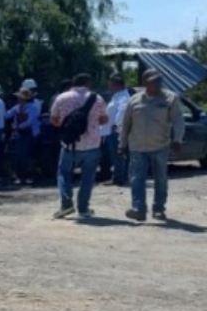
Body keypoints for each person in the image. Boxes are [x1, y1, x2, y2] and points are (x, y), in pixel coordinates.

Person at [120, 69, 185, 222]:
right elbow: (126, 124)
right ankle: (139, 209)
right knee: (137, 179)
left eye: (158, 81)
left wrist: (178, 139)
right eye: (152, 82)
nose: (156, 85)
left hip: (160, 146)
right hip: (137, 146)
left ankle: (159, 209)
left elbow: (178, 120)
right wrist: (122, 144)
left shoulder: (170, 98)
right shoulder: (134, 100)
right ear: (144, 83)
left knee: (161, 179)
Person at [50, 74, 109, 220]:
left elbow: (54, 120)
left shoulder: (62, 98)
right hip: (92, 144)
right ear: (88, 84)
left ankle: (66, 203)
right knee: (88, 176)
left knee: (64, 173)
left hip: (70, 144)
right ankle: (83, 208)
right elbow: (104, 120)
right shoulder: (97, 98)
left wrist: (67, 127)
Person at [6, 86, 41, 185]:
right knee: (19, 155)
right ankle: (20, 175)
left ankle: (26, 176)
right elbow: (7, 115)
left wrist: (18, 126)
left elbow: (30, 121)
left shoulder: (33, 107)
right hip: (19, 134)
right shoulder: (17, 107)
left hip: (29, 133)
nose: (18, 99)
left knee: (25, 155)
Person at [101, 74, 130, 186]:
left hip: (116, 131)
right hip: (111, 131)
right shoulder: (117, 96)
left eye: (111, 84)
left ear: (116, 85)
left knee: (118, 155)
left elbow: (123, 112)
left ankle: (120, 178)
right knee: (115, 156)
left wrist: (116, 125)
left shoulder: (123, 98)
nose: (109, 86)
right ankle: (118, 177)